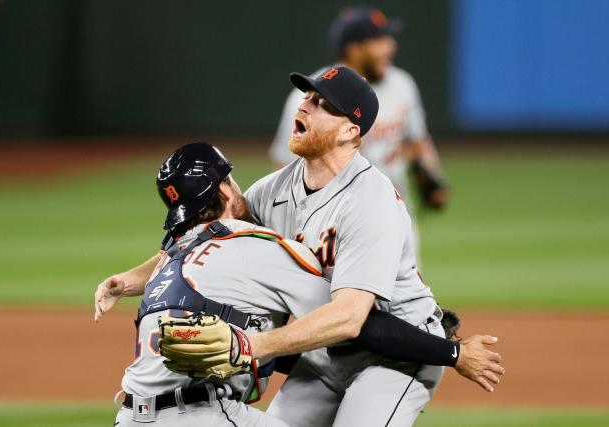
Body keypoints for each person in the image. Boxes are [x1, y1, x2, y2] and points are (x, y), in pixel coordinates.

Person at [96, 143, 503, 426]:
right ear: (224, 188)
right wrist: (449, 351)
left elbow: (288, 349)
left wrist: (125, 281)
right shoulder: (252, 249)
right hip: (202, 417)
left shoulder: (172, 257)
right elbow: (351, 320)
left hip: (131, 416)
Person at [242, 65, 500, 427]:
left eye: (321, 104)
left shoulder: (370, 199)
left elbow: (350, 318)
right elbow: (207, 241)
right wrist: (131, 282)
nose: (304, 106)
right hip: (325, 356)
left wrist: (254, 346)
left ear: (350, 130)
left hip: (398, 355)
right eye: (308, 97)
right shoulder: (270, 191)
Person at [269, 6, 447, 257]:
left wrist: (432, 173)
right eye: (379, 40)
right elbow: (283, 166)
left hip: (395, 215)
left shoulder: (402, 85)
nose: (390, 46)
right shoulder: (310, 98)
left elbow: (418, 142)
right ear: (353, 49)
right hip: (333, 224)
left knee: (407, 293)